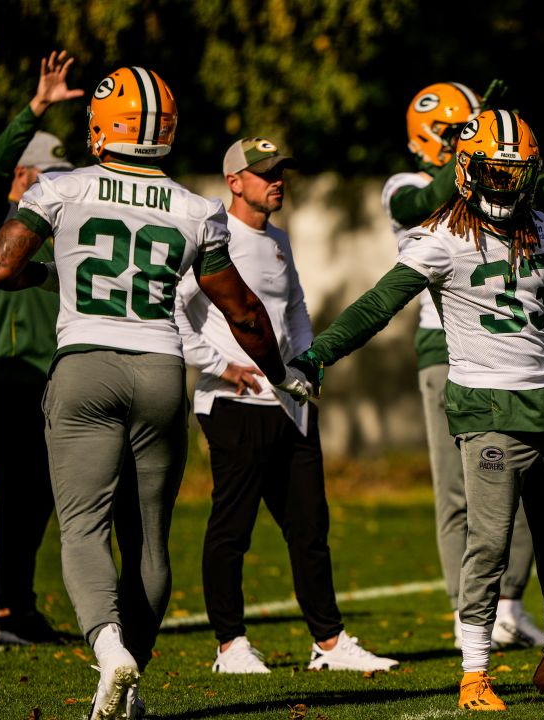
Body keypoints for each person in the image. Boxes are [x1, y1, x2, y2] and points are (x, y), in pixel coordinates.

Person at [0, 67, 314, 720]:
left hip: (85, 366)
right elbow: (244, 311)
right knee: (149, 540)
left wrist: (54, 273)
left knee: (83, 527)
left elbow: (0, 265)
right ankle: (130, 693)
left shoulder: (63, 185)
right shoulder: (198, 210)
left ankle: (110, 651)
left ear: (103, 125)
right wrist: (279, 372)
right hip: (160, 372)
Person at [292, 109, 544, 712]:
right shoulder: (441, 236)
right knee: (490, 541)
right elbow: (378, 304)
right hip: (486, 405)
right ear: (467, 171)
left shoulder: (543, 229)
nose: (504, 186)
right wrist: (321, 353)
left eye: (514, 175)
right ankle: (475, 670)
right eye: (493, 174)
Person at [384, 76, 544, 649]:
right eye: (454, 132)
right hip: (451, 351)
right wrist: (469, 150)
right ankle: (467, 612)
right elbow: (429, 198)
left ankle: (506, 605)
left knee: (534, 498)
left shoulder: (503, 189)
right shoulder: (404, 185)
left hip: (520, 356)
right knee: (461, 493)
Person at [174, 136, 397, 674]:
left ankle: (328, 642)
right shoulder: (210, 233)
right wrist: (219, 365)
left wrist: (303, 366)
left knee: (309, 528)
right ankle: (230, 645)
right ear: (234, 181)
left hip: (289, 407)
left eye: (281, 172)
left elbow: (294, 307)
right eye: (265, 172)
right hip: (232, 404)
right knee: (233, 529)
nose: (278, 181)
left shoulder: (278, 238)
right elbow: (172, 312)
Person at [0, 49, 83, 646]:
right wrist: (34, 108)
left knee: (35, 502)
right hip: (5, 379)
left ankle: (13, 608)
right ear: (19, 178)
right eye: (42, 173)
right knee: (9, 497)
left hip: (50, 380)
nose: (51, 182)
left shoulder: (60, 227)